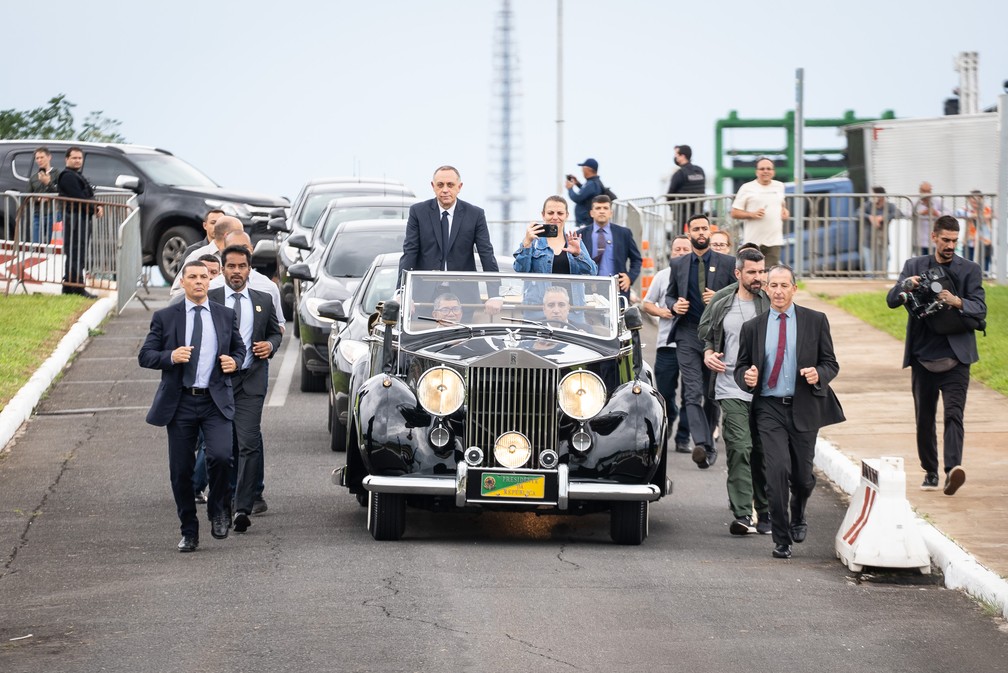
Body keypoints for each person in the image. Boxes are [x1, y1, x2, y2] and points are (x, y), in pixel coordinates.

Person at [734, 264, 845, 559]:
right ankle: (781, 538)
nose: (779, 291)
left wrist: (818, 374)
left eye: (785, 286)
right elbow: (742, 367)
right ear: (766, 289)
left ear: (794, 289)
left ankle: (799, 514)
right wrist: (747, 376)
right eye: (774, 286)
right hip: (769, 408)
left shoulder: (815, 321)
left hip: (804, 406)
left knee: (802, 477)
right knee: (776, 471)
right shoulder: (753, 328)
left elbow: (831, 363)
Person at [138, 260, 245, 552]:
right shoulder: (166, 317)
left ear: (210, 282)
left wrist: (234, 361)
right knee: (181, 471)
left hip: (215, 400)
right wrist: (171, 356)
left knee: (222, 457)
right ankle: (189, 529)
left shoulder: (224, 315)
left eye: (204, 277)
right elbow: (145, 355)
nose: (199, 281)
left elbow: (239, 348)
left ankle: (218, 511)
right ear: (183, 282)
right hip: (181, 401)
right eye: (193, 277)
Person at [885, 215, 986, 496]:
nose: (950, 245)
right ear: (934, 238)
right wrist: (907, 285)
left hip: (956, 355)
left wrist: (956, 301)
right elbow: (892, 300)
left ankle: (953, 469)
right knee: (924, 417)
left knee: (954, 414)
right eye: (945, 240)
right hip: (923, 355)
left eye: (955, 241)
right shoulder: (914, 266)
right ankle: (930, 469)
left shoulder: (970, 270)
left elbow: (980, 308)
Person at [209, 244, 282, 533]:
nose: (237, 272)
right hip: (218, 383)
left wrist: (271, 345)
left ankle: (242, 507)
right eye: (231, 267)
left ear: (249, 269)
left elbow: (276, 331)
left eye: (242, 266)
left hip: (251, 381)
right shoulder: (211, 298)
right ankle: (222, 502)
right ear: (223, 269)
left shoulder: (262, 299)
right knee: (223, 448)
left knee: (249, 443)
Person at [699, 247, 771, 535]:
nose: (758, 277)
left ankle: (765, 509)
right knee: (740, 448)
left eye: (762, 271)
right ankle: (742, 514)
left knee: (762, 452)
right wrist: (707, 352)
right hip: (730, 386)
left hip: (767, 390)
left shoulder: (770, 300)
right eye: (752, 272)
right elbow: (704, 331)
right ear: (738, 273)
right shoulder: (722, 300)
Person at [663, 214, 736, 469]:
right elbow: (670, 296)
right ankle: (703, 445)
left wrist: (720, 297)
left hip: (716, 337)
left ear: (709, 231)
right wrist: (675, 305)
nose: (701, 232)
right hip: (687, 333)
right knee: (691, 392)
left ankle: (710, 445)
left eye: (705, 228)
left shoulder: (728, 263)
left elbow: (738, 296)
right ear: (689, 232)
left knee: (711, 393)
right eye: (696, 229)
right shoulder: (679, 264)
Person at [642, 235, 693, 453]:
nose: (681, 252)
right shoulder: (663, 276)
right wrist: (663, 311)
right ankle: (670, 415)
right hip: (666, 343)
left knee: (692, 394)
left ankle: (684, 437)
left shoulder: (698, 278)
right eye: (677, 249)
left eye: (685, 249)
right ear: (671, 253)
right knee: (663, 391)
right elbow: (646, 304)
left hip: (693, 345)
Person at [399, 165, 498, 276]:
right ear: (433, 186)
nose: (445, 190)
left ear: (459, 187)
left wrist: (495, 292)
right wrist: (401, 290)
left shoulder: (475, 215)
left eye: (450, 185)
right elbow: (409, 253)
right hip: (425, 287)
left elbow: (486, 254)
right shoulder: (418, 212)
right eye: (440, 185)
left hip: (463, 287)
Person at [513, 195, 597, 312]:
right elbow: (521, 271)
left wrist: (578, 254)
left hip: (573, 310)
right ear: (543, 215)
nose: (555, 217)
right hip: (537, 311)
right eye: (550, 213)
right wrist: (526, 243)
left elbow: (592, 272)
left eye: (560, 213)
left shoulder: (574, 241)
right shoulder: (533, 242)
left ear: (567, 215)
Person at [191, 253, 223, 504]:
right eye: (203, 273)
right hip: (189, 393)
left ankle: (198, 484)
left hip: (219, 390)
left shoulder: (224, 310)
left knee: (212, 445)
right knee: (196, 442)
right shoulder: (179, 311)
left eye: (213, 273)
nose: (208, 278)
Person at [208, 229, 285, 333]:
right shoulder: (211, 288)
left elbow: (278, 325)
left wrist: (269, 344)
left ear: (252, 249)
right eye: (233, 248)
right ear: (224, 251)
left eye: (244, 247)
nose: (239, 252)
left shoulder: (268, 287)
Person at [56, 146, 103, 297]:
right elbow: (79, 197)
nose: (77, 161)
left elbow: (88, 195)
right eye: (74, 158)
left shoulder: (76, 175)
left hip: (81, 217)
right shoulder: (67, 176)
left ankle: (70, 286)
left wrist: (96, 205)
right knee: (75, 251)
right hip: (74, 218)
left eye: (79, 158)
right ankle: (75, 286)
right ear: (67, 159)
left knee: (78, 251)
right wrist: (95, 207)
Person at [576, 195, 642, 301]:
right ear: (591, 213)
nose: (602, 211)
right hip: (589, 291)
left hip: (617, 290)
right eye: (598, 208)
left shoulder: (624, 233)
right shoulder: (580, 235)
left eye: (605, 208)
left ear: (611, 213)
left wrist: (630, 277)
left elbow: (636, 259)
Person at [730, 157, 790, 268]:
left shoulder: (779, 186)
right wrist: (751, 214)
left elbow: (781, 203)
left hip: (774, 240)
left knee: (770, 274)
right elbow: (734, 213)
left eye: (768, 168)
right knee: (752, 273)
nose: (765, 171)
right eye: (762, 169)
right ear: (756, 172)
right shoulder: (747, 187)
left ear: (773, 171)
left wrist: (784, 211)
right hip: (753, 241)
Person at [169, 216, 244, 297]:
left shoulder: (239, 258)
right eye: (239, 233)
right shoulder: (197, 256)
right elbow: (177, 292)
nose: (243, 237)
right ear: (227, 236)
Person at [854, 186, 903, 275]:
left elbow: (899, 213)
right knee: (870, 269)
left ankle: (882, 280)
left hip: (883, 241)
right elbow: (857, 213)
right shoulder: (868, 205)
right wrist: (870, 217)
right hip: (868, 241)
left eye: (874, 195)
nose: (872, 197)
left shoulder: (889, 206)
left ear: (881, 196)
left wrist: (883, 217)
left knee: (884, 265)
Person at [28, 146, 60, 244]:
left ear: (49, 157)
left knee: (53, 245)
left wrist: (48, 183)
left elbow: (61, 193)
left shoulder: (57, 174)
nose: (39, 160)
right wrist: (37, 199)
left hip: (53, 214)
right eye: (37, 158)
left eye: (42, 157)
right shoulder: (33, 177)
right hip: (37, 215)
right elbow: (28, 197)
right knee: (36, 244)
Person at [665, 144, 706, 220]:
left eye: (676, 155)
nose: (675, 157)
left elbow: (669, 195)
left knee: (682, 231)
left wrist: (672, 206)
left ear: (683, 156)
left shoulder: (679, 173)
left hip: (682, 214)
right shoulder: (700, 170)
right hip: (699, 212)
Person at [566, 158, 604, 227]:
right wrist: (578, 184)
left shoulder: (592, 184)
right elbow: (586, 194)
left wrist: (570, 189)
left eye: (583, 168)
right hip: (586, 223)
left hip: (586, 223)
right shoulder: (593, 183)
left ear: (588, 169)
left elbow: (577, 198)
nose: (581, 170)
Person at [962, 190, 992, 272]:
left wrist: (975, 215)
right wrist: (972, 215)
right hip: (969, 243)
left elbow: (990, 216)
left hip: (984, 243)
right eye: (972, 199)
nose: (974, 202)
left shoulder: (987, 209)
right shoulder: (966, 210)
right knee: (967, 269)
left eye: (977, 199)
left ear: (981, 200)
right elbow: (957, 213)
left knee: (984, 269)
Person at [913, 182, 944, 256]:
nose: (926, 194)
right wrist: (921, 213)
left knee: (935, 265)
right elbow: (907, 213)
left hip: (935, 242)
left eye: (928, 191)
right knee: (920, 264)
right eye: (924, 191)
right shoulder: (915, 202)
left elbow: (949, 213)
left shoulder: (937, 201)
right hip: (919, 242)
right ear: (920, 191)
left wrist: (936, 213)